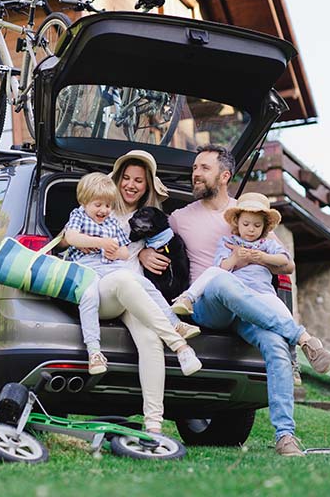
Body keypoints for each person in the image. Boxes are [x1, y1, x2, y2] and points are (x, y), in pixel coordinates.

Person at [146, 144, 330, 456]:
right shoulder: (180, 217)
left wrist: (253, 257)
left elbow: (286, 264)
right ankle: (302, 337)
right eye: (194, 168)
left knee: (275, 345)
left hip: (249, 308)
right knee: (220, 278)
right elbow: (148, 235)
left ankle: (285, 436)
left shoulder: (249, 214)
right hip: (211, 306)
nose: (195, 174)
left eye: (203, 168)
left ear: (224, 176)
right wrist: (143, 251)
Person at [83, 149, 201, 435]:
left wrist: (148, 252)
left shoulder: (148, 219)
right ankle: (179, 343)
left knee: (150, 341)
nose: (131, 185)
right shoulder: (101, 210)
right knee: (125, 279)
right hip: (106, 291)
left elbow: (167, 247)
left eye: (139, 180)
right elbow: (69, 237)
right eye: (126, 178)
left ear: (147, 185)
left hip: (136, 300)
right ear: (117, 180)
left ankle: (154, 427)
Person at [61, 172, 201, 377]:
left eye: (108, 206)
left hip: (115, 273)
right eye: (98, 205)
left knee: (145, 292)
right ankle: (94, 351)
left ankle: (175, 323)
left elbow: (125, 252)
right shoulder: (79, 215)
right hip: (91, 272)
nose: (104, 210)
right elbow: (70, 237)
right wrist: (99, 243)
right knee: (91, 295)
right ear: (85, 201)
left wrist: (116, 251)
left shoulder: (117, 222)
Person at [170, 192, 293, 316]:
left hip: (263, 291)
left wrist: (263, 257)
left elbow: (285, 260)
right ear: (237, 223)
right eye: (246, 224)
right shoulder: (229, 241)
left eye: (257, 225)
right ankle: (187, 298)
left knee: (284, 314)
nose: (251, 229)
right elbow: (221, 267)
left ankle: (301, 334)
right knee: (213, 271)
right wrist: (235, 257)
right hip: (237, 289)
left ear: (264, 227)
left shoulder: (266, 243)